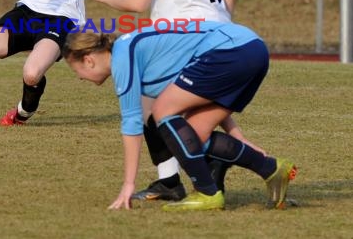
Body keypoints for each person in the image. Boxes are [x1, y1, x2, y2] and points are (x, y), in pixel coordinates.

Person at [78, 0, 251, 201]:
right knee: (165, 109)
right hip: (217, 35)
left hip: (183, 37)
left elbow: (138, 4)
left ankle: (210, 166)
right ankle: (173, 179)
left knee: (157, 109)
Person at [62, 22, 297, 211]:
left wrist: (128, 185)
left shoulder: (123, 56)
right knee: (192, 136)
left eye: (76, 71)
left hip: (231, 51)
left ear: (89, 60)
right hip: (250, 49)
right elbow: (209, 95)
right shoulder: (143, 53)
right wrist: (238, 136)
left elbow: (132, 123)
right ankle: (272, 169)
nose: (79, 78)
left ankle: (207, 192)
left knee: (162, 111)